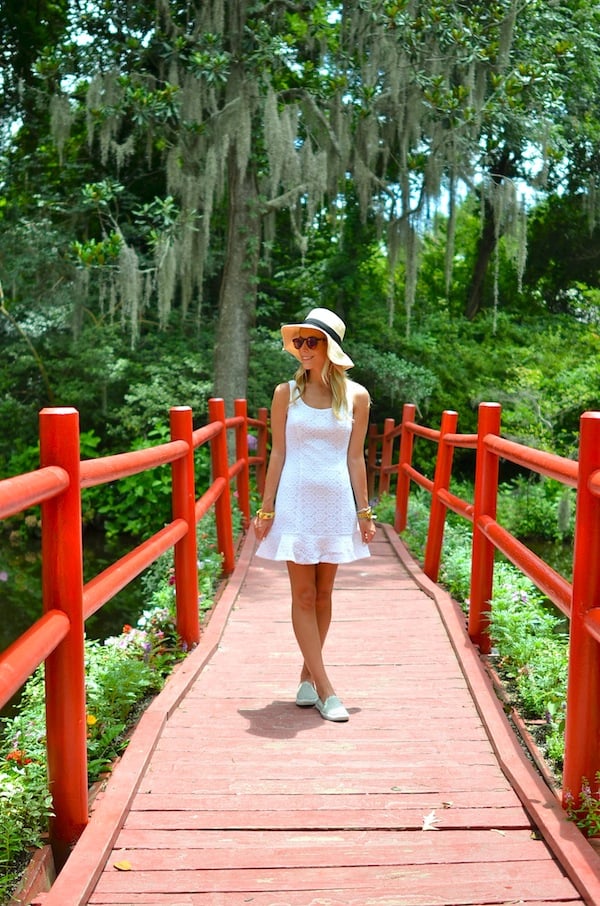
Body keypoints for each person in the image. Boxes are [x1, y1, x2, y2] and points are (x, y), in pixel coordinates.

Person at [254, 308, 376, 722]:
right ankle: (326, 689)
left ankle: (308, 676)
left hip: (336, 503)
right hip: (295, 502)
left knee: (325, 594)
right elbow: (278, 453)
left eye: (312, 342)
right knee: (303, 594)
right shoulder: (284, 393)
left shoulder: (356, 396)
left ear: (330, 348)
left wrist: (364, 511)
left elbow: (356, 457)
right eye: (299, 342)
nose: (303, 349)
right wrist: (266, 507)